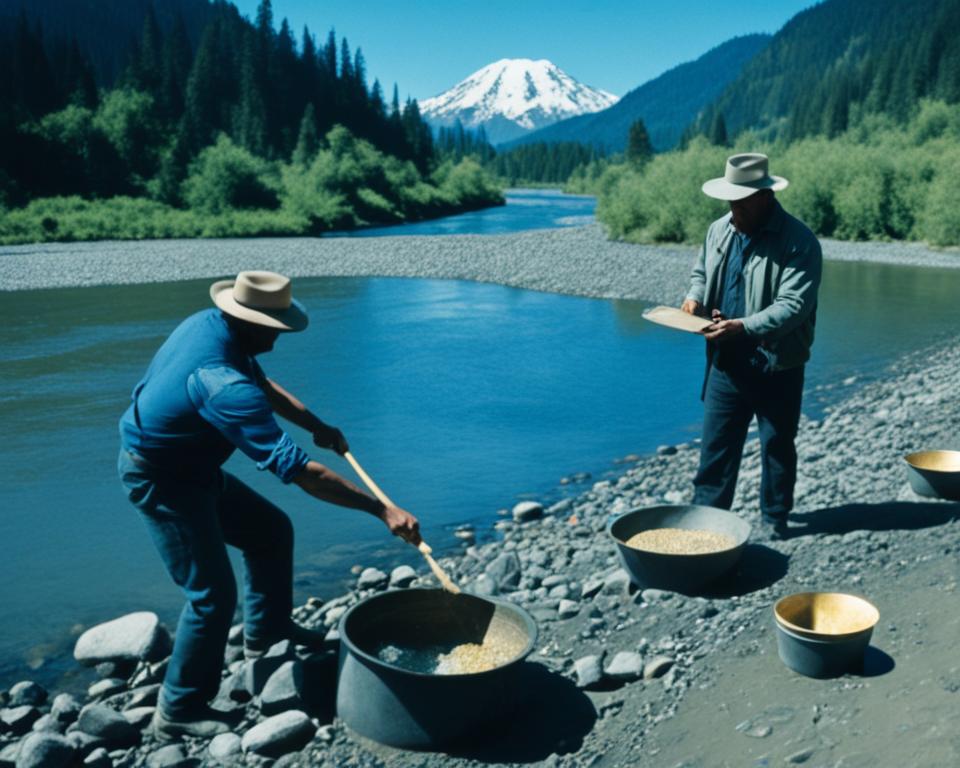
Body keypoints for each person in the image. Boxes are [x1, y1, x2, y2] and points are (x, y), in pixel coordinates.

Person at [118, 271, 421, 739]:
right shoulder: (222, 385)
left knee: (270, 532)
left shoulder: (212, 327)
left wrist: (315, 424)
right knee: (211, 597)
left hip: (193, 466)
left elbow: (260, 382)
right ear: (249, 322)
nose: (280, 339)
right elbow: (302, 475)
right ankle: (178, 709)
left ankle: (266, 634)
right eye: (275, 330)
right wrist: (383, 510)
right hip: (162, 479)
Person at [681, 153, 822, 537]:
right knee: (715, 450)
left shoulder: (799, 242)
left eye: (740, 202)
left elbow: (793, 307)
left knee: (777, 447)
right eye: (729, 200)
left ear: (764, 197)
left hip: (777, 365)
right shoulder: (719, 229)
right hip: (725, 361)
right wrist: (694, 297)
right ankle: (706, 525)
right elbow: (700, 272)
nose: (733, 209)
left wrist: (741, 327)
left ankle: (775, 520)